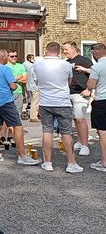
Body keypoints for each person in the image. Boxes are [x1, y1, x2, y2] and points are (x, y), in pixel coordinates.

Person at [33, 42, 83, 173]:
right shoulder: (66, 64)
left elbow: (37, 81)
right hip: (62, 101)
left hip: (45, 102)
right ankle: (71, 163)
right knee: (66, 132)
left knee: (47, 132)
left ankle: (48, 162)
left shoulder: (37, 64)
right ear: (59, 52)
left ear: (46, 50)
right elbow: (69, 82)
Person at [0, 49, 39, 166]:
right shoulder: (6, 69)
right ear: (4, 57)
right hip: (6, 101)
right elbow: (13, 87)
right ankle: (22, 155)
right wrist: (14, 80)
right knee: (17, 126)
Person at [63, 41, 93, 155]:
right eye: (64, 50)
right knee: (75, 119)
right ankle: (80, 141)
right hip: (69, 93)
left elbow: (94, 75)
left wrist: (88, 90)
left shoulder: (84, 60)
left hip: (81, 93)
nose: (65, 52)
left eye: (67, 49)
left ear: (74, 49)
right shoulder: (66, 63)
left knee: (80, 119)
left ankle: (85, 145)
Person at [82, 43, 106, 172]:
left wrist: (87, 89)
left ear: (95, 53)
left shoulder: (97, 67)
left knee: (102, 132)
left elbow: (90, 84)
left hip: (102, 101)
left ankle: (104, 161)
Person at [6, 50, 27, 119]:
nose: (14, 58)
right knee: (9, 114)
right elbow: (6, 81)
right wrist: (19, 77)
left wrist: (14, 79)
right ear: (7, 57)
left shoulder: (21, 66)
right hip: (8, 92)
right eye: (12, 56)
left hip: (19, 92)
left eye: (16, 56)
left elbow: (25, 79)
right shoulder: (5, 67)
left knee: (18, 114)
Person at [23, 54, 40, 122]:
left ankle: (34, 114)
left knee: (32, 100)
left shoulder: (25, 64)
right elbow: (35, 77)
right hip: (35, 86)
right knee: (35, 101)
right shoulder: (32, 66)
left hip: (29, 85)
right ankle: (33, 116)